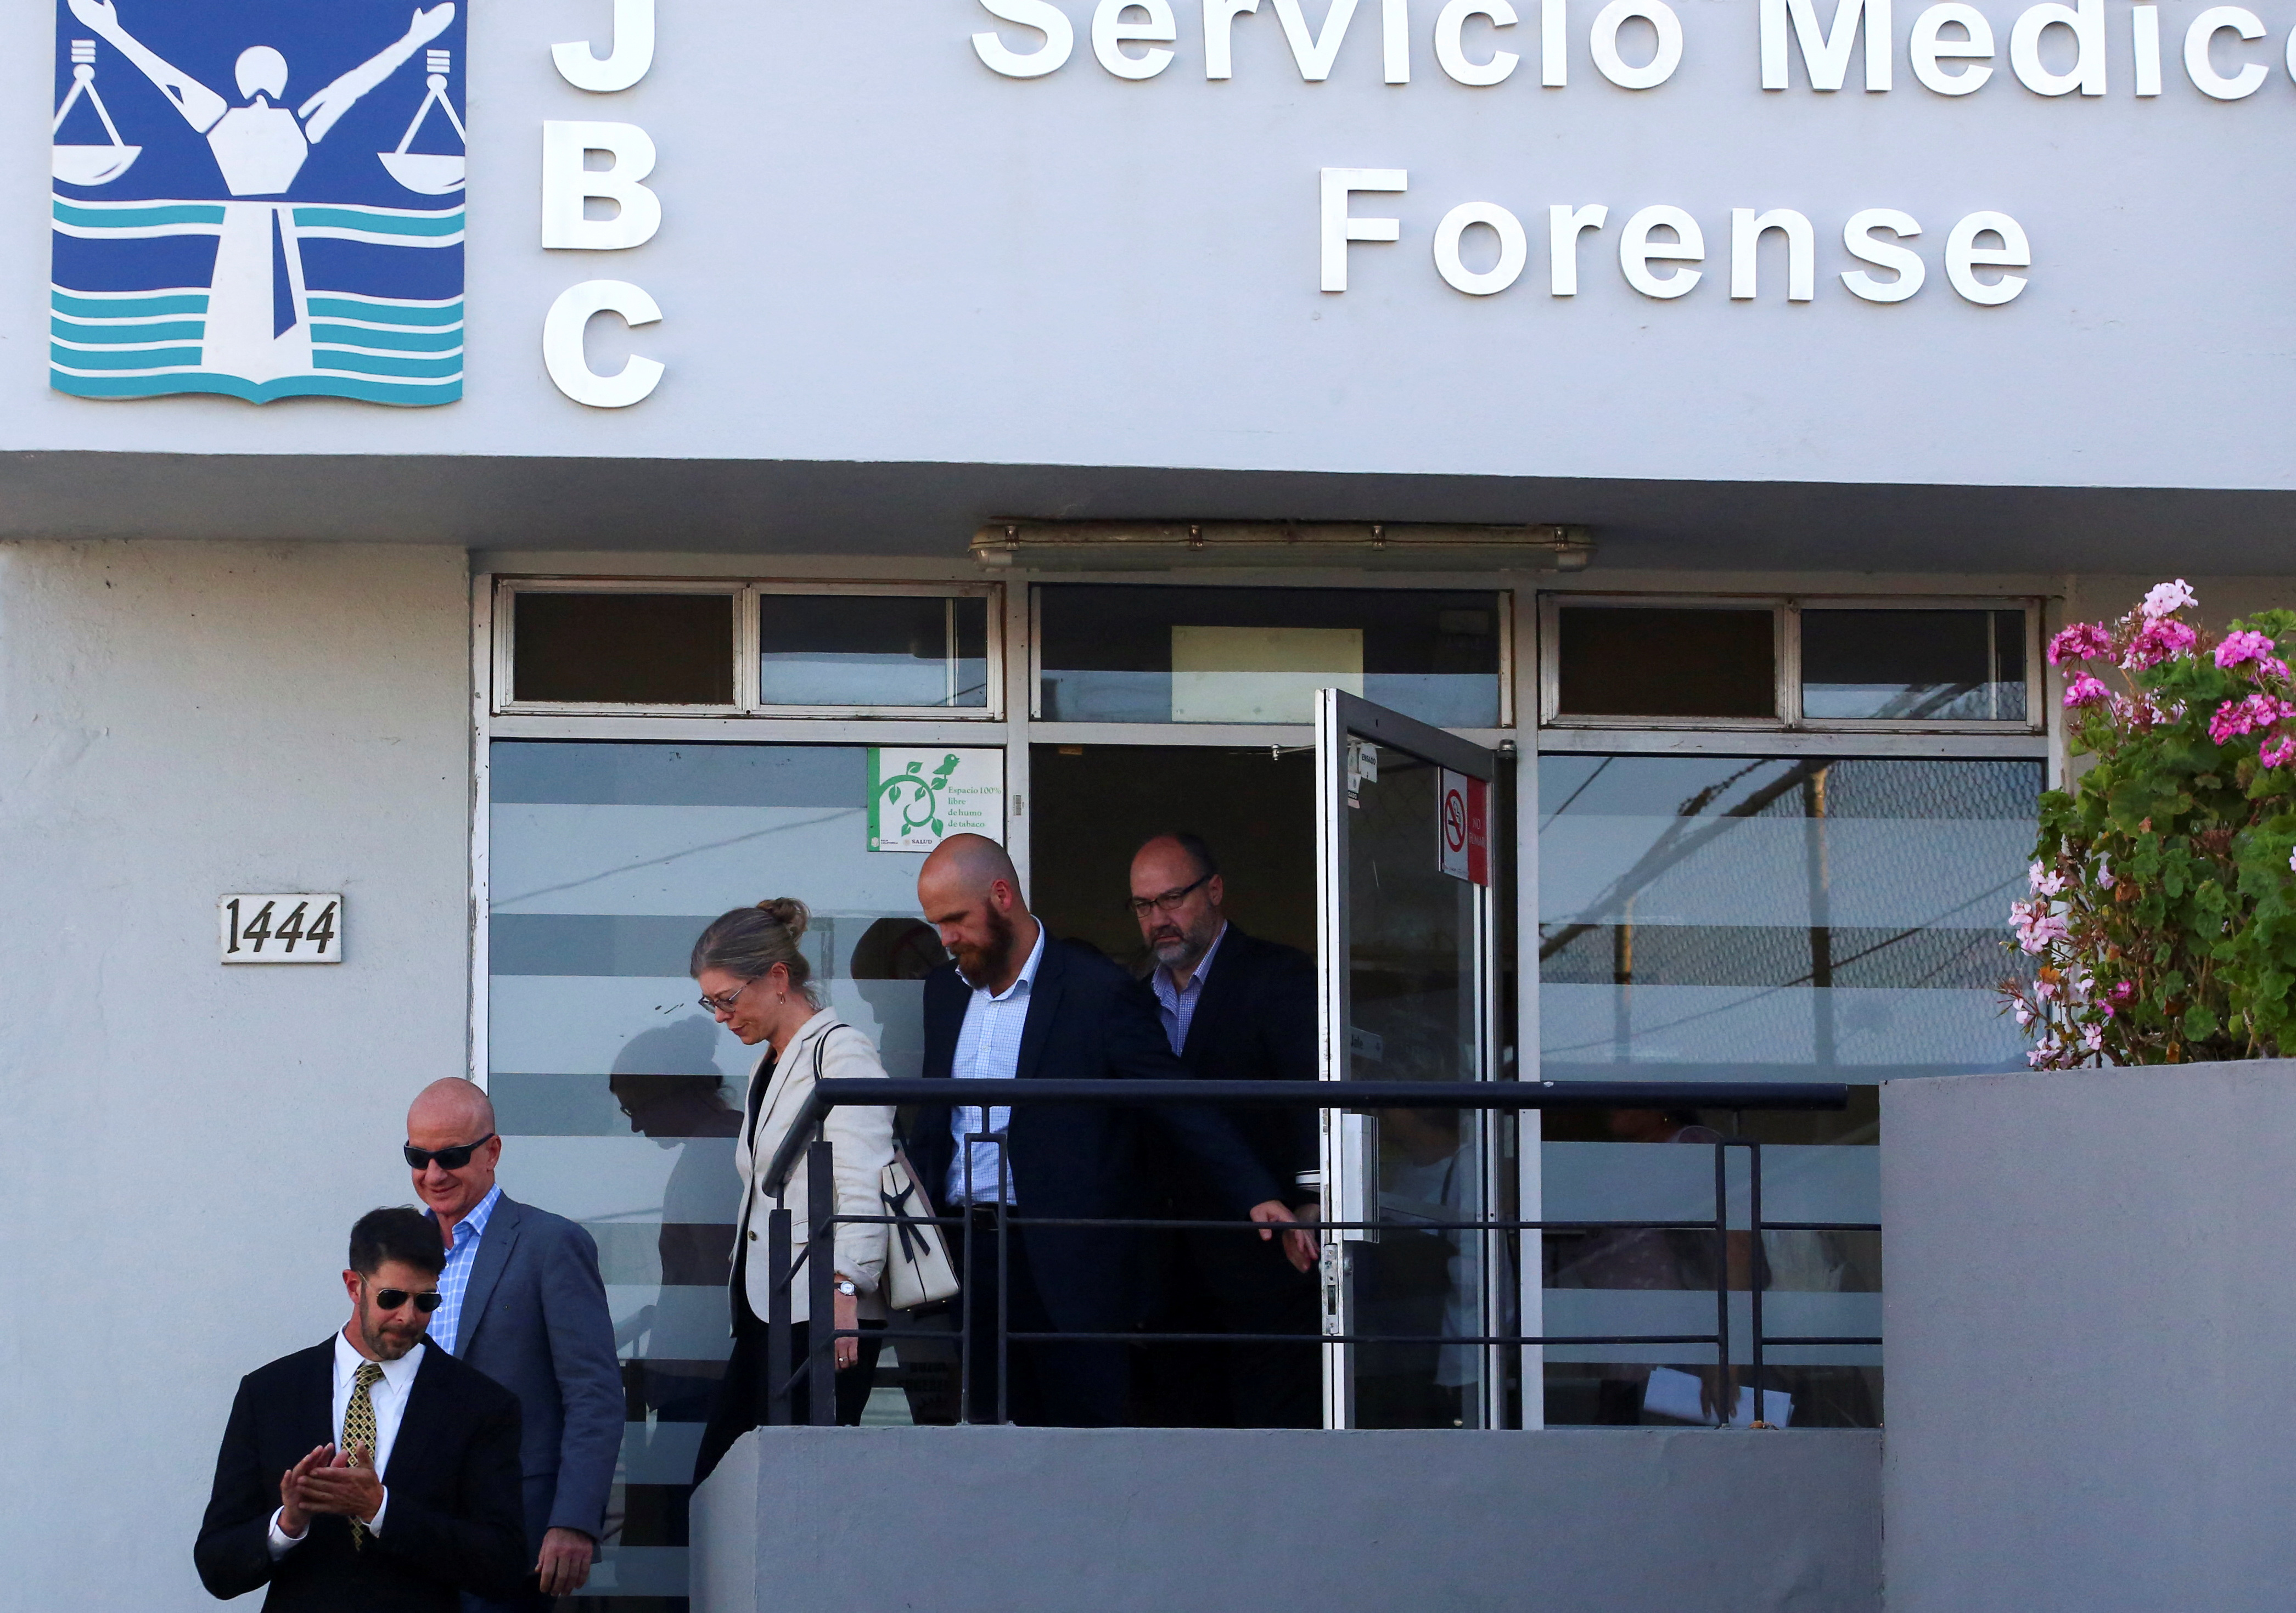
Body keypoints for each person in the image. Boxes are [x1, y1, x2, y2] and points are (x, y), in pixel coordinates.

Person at [905, 833, 1309, 1426]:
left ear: (1002, 896)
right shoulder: (943, 992)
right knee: (987, 1432)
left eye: (955, 919)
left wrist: (1255, 1192)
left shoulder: (1095, 988)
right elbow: (936, 1122)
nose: (945, 938)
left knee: (1082, 1433)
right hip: (969, 1251)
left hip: (1068, 1254)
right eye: (936, 923)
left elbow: (1173, 1099)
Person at [195, 1207, 529, 1611]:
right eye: (392, 1298)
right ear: (354, 1286)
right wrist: (288, 1523)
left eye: (426, 1301)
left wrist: (381, 1509)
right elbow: (216, 1566)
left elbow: (503, 1564)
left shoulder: (480, 1405)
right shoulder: (269, 1393)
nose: (408, 1317)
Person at [690, 897, 896, 1485]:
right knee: (729, 1481)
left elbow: (864, 1175)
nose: (721, 1017)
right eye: (711, 1002)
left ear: (778, 978)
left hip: (823, 1309)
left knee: (800, 1485)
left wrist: (846, 1284)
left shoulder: (841, 1051)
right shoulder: (771, 1062)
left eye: (728, 998)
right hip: (775, 1305)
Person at [403, 1080, 623, 1610]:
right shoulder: (400, 1252)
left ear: (493, 1151)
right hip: (410, 1529)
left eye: (451, 1156)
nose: (433, 1174)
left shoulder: (550, 1243)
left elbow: (593, 1393)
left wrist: (573, 1519)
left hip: (510, 1528)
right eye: (418, 1157)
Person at [1129, 831, 1323, 1429]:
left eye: (1172, 898)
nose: (1158, 918)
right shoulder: (1131, 1003)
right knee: (1183, 1436)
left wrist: (1313, 1197)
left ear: (1214, 890)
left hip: (1264, 1256)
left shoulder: (1279, 975)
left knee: (1270, 1431)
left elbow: (1311, 1096)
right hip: (1167, 1266)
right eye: (1143, 905)